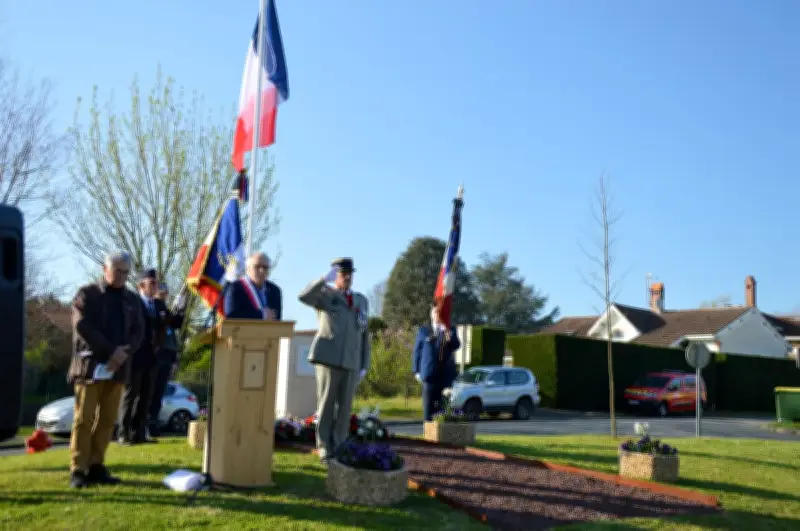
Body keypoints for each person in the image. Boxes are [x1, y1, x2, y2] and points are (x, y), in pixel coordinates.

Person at [68, 251, 144, 488]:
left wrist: (123, 354)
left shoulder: (132, 300)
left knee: (108, 420)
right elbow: (82, 325)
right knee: (84, 419)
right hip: (90, 367)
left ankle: (97, 465)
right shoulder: (87, 294)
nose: (121, 276)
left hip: (118, 369)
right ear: (105, 269)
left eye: (126, 272)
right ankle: (78, 469)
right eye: (117, 271)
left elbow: (139, 332)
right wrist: (111, 351)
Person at [298, 258, 370, 463]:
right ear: (335, 275)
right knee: (326, 405)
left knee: (345, 407)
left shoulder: (361, 300)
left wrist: (364, 363)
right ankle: (324, 447)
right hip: (328, 358)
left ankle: (340, 445)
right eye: (342, 273)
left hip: (351, 360)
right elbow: (303, 296)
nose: (347, 277)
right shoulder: (325, 295)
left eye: (349, 273)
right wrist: (322, 279)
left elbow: (364, 334)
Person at [118, 269, 172, 445]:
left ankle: (139, 433)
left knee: (146, 396)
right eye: (151, 283)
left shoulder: (157, 305)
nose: (155, 286)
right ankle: (123, 433)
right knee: (130, 395)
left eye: (156, 283)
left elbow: (170, 324)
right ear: (141, 285)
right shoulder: (133, 303)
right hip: (135, 356)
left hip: (152, 356)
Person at [147, 283, 186, 437]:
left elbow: (176, 324)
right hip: (157, 354)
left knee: (159, 392)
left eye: (165, 293)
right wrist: (168, 312)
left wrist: (180, 308)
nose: (164, 295)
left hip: (168, 355)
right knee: (151, 391)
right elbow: (160, 322)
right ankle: (145, 424)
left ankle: (153, 422)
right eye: (161, 293)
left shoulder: (165, 309)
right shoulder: (155, 308)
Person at [412, 304, 461, 421]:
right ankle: (428, 435)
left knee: (443, 409)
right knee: (428, 408)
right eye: (435, 312)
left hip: (445, 376)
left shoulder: (450, 329)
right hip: (428, 375)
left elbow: (456, 345)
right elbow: (417, 352)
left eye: (440, 313)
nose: (437, 315)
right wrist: (416, 371)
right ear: (431, 315)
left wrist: (449, 336)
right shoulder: (423, 331)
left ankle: (441, 436)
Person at [224, 252, 282, 320]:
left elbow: (277, 320)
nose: (261, 270)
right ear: (248, 269)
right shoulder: (235, 288)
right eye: (257, 266)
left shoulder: (274, 290)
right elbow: (231, 315)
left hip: (269, 330)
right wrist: (261, 315)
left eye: (265, 267)